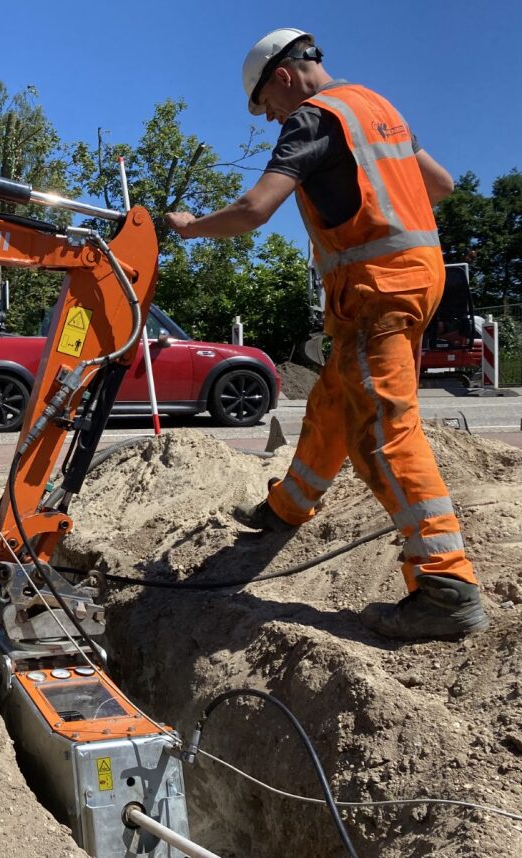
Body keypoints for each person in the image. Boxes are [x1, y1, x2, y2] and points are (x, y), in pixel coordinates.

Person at [164, 28, 487, 641]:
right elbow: (440, 185)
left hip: (375, 291)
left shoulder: (313, 119)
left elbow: (255, 210)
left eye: (266, 105)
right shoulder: (377, 107)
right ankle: (287, 506)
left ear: (284, 77)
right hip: (419, 277)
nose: (271, 118)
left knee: (384, 432)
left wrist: (191, 226)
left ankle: (446, 585)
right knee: (334, 398)